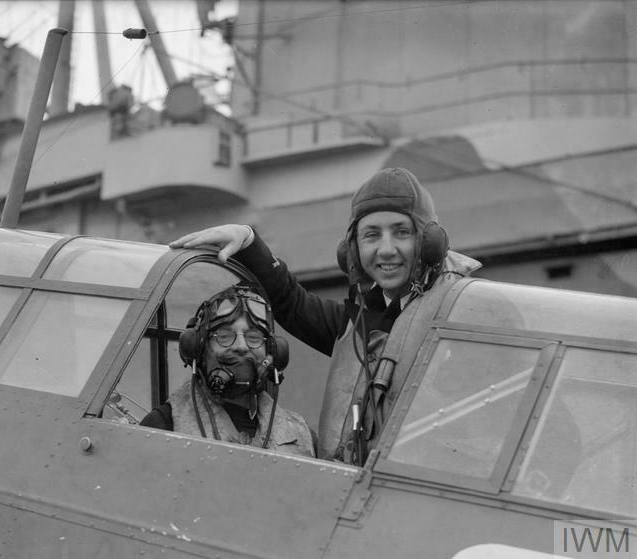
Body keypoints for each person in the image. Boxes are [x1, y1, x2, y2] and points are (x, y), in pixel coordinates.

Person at [170, 167, 481, 464]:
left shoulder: (468, 315)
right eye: (372, 235)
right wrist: (249, 242)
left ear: (429, 242)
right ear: (352, 250)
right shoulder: (359, 325)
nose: (386, 250)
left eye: (401, 232)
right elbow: (293, 304)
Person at [140, 283, 315, 457]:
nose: (241, 346)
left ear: (273, 353)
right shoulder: (162, 427)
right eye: (224, 336)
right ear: (198, 349)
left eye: (253, 337)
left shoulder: (303, 436)